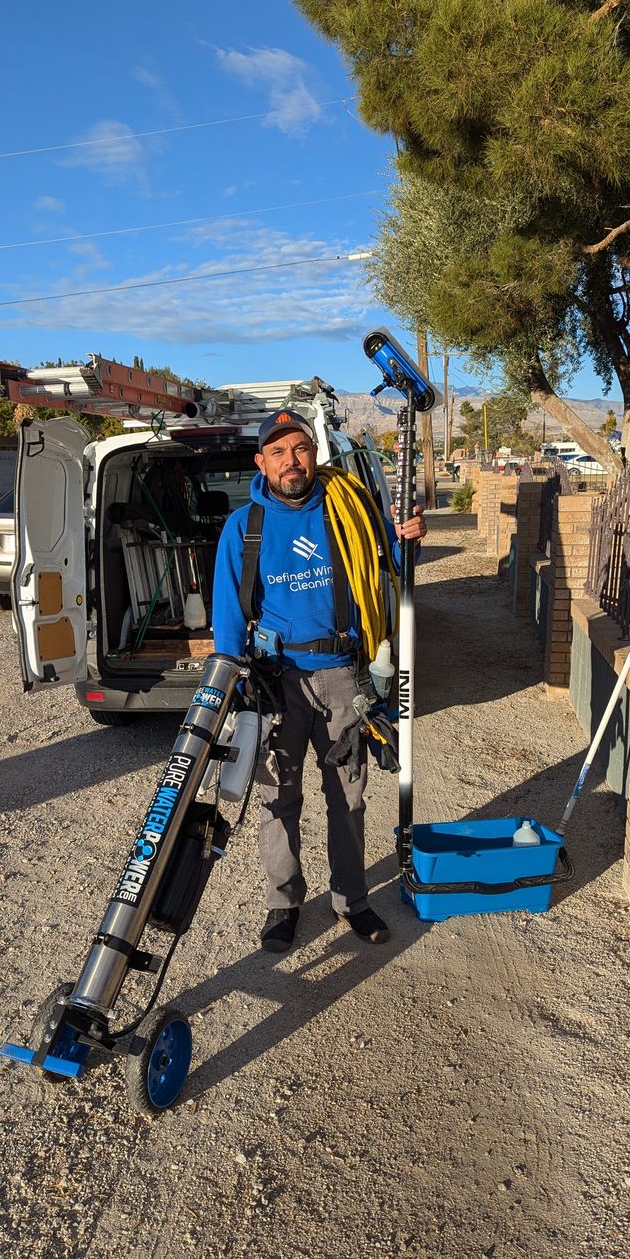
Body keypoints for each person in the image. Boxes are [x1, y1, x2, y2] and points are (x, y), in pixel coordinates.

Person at [212, 408, 427, 952]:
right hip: (276, 680)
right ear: (261, 462)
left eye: (300, 449)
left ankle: (351, 899)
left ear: (314, 456)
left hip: (340, 676)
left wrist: (409, 536)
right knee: (277, 799)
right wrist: (233, 686)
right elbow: (229, 617)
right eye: (278, 451)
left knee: (347, 799)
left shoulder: (346, 510)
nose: (291, 461)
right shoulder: (244, 528)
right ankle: (283, 905)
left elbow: (389, 560)